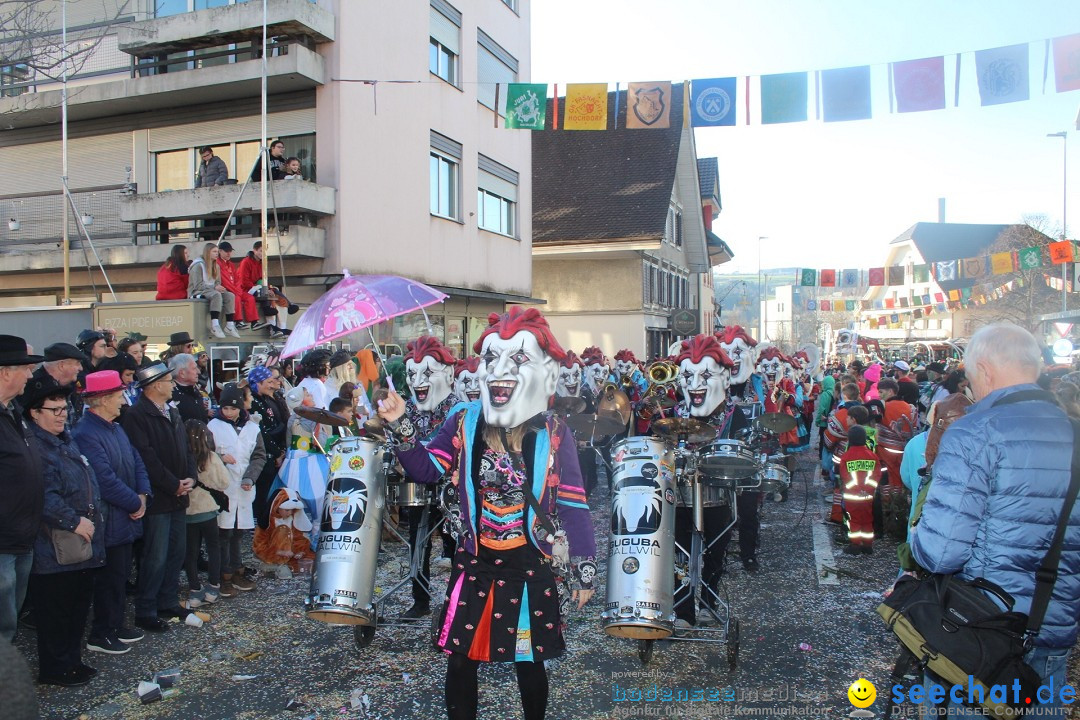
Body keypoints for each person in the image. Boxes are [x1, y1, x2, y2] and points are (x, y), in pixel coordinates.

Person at [377, 306, 595, 720]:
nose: (499, 369)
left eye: (518, 358)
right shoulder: (464, 420)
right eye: (492, 358)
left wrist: (585, 567)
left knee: (528, 662)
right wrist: (400, 423)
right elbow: (427, 469)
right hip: (476, 560)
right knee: (460, 660)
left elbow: (572, 502)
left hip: (530, 561)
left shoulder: (555, 431)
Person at [911, 323, 1079, 714]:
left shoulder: (975, 432)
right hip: (1054, 627)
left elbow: (941, 553)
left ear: (984, 370)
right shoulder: (1075, 433)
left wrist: (917, 536)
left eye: (970, 378)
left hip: (983, 631)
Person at [25, 382, 106, 686]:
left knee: (76, 606)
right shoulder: (37, 446)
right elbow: (44, 494)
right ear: (35, 413)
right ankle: (56, 668)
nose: (62, 415)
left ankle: (72, 661)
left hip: (80, 541)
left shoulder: (64, 440)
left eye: (64, 409)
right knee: (56, 610)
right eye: (54, 410)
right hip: (55, 543)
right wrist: (73, 522)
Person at [668, 335, 751, 627]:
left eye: (705, 375)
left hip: (719, 496)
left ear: (726, 378)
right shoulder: (673, 415)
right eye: (688, 376)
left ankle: (708, 601)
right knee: (679, 556)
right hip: (680, 497)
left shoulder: (735, 415)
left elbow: (746, 452)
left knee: (715, 554)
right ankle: (683, 611)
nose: (695, 384)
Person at [71, 371, 150, 655]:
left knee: (118, 576)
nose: (123, 401)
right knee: (107, 579)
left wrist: (142, 495)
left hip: (124, 516)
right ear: (102, 399)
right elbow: (103, 479)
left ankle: (115, 625)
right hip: (108, 518)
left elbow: (136, 460)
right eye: (118, 396)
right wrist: (135, 503)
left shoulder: (115, 427)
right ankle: (101, 633)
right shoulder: (85, 433)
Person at [120, 363, 202, 632]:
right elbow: (145, 457)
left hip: (178, 494)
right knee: (155, 556)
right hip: (159, 498)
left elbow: (186, 449)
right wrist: (171, 484)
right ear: (155, 385)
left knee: (176, 551)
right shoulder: (136, 415)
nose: (172, 384)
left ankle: (167, 600)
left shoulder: (172, 410)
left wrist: (192, 477)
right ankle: (146, 609)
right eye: (168, 380)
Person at [399, 336, 462, 618]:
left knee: (456, 544)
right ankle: (420, 601)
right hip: (417, 485)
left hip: (452, 488)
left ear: (448, 375)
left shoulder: (459, 407)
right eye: (413, 374)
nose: (418, 381)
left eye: (427, 373)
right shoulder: (407, 407)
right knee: (418, 544)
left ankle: (458, 602)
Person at [0, 336, 45, 645]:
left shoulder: (14, 410)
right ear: (5, 372)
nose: (31, 375)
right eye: (25, 368)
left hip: (23, 536)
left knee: (10, 619)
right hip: (3, 540)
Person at [209, 384, 264, 596]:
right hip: (223, 486)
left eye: (233, 409)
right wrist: (220, 459)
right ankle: (224, 575)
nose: (229, 413)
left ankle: (237, 568)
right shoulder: (213, 426)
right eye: (225, 409)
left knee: (239, 531)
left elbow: (258, 455)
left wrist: (251, 476)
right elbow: (205, 453)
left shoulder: (252, 428)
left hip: (244, 487)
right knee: (224, 531)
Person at [182, 420, 228, 607]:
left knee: (191, 551)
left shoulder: (181, 458)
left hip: (187, 511)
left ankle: (194, 589)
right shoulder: (211, 457)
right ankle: (213, 586)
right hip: (208, 511)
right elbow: (224, 482)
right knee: (213, 548)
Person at [247, 365, 289, 528]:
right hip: (263, 455)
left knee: (268, 492)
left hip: (274, 453)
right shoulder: (254, 403)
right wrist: (277, 452)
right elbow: (261, 433)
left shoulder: (266, 400)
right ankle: (257, 528)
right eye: (268, 382)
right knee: (261, 494)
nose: (272, 385)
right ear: (258, 383)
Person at [837, 425, 880, 555]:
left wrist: (856, 489)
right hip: (868, 495)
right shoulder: (872, 456)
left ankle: (855, 545)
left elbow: (845, 476)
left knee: (853, 520)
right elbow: (876, 474)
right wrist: (868, 489)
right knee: (867, 519)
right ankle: (868, 545)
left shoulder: (846, 456)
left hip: (852, 496)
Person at [188, 243, 240, 340]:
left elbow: (217, 282)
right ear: (208, 252)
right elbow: (198, 285)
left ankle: (230, 324)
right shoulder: (197, 265)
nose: (217, 254)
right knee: (216, 295)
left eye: (217, 251)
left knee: (230, 296)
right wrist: (215, 287)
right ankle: (215, 324)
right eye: (214, 252)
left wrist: (218, 287)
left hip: (210, 290)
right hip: (197, 291)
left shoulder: (216, 266)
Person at [216, 241, 261, 328]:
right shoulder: (218, 264)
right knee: (236, 297)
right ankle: (238, 321)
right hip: (225, 291)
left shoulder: (231, 264)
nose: (229, 253)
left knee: (249, 298)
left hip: (235, 290)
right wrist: (237, 291)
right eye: (226, 251)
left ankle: (254, 322)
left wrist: (238, 290)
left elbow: (237, 280)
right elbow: (225, 282)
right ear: (220, 251)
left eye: (230, 251)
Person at [170, 353, 210, 423]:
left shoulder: (195, 390)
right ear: (182, 373)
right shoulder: (171, 396)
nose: (198, 372)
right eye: (194, 368)